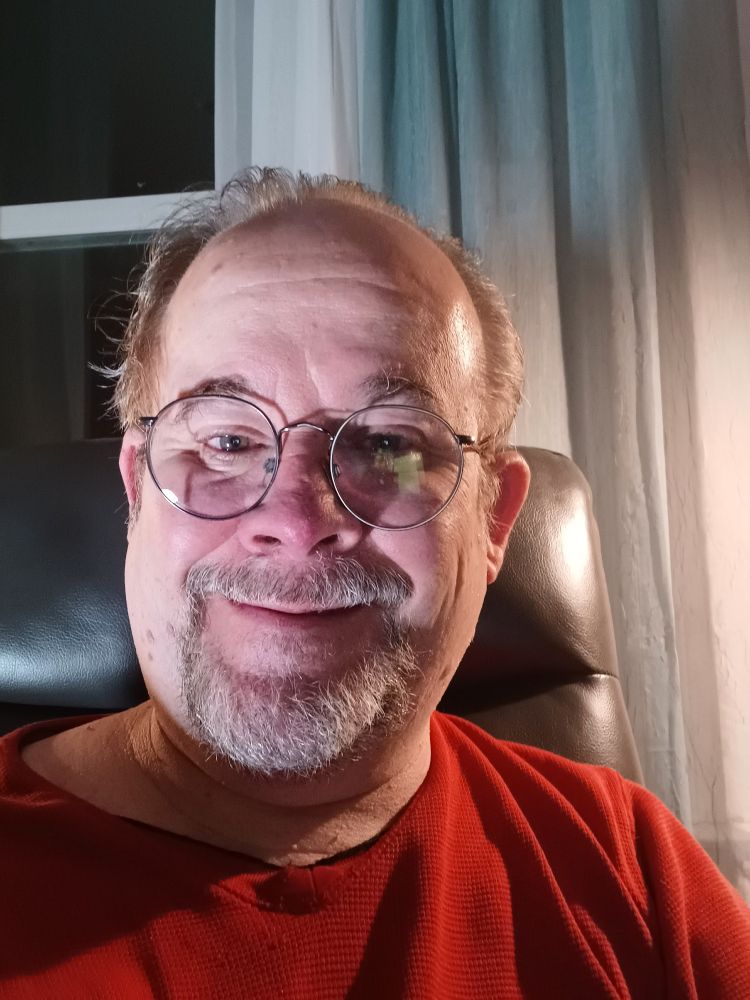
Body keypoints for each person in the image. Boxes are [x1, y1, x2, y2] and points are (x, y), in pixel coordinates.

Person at [1, 168, 748, 999]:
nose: (295, 515)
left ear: (494, 524)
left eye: (388, 443)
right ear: (139, 489)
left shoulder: (626, 869)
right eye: (225, 442)